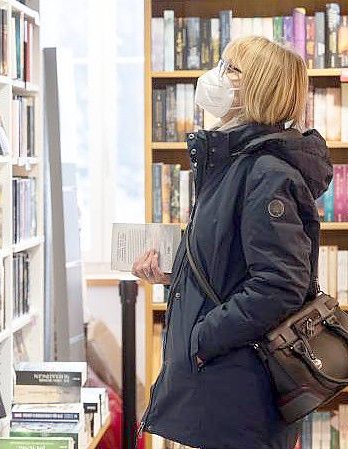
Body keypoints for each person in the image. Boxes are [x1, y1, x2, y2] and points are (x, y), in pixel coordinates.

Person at [132, 36, 334, 449]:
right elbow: (235, 265)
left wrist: (203, 339)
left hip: (240, 389)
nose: (217, 75)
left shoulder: (266, 174)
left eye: (231, 69)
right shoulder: (235, 165)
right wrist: (178, 273)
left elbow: (279, 287)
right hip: (225, 386)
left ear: (256, 88)